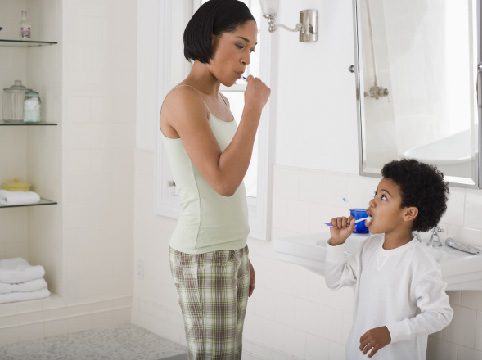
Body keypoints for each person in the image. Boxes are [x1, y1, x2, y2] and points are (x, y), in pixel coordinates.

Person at [159, 0, 270, 358]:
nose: (247, 60)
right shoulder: (183, 99)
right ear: (208, 39)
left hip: (228, 251)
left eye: (252, 49)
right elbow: (223, 182)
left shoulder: (219, 100)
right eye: (240, 44)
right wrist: (253, 108)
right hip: (204, 253)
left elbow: (226, 186)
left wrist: (240, 253)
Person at [325, 159, 453, 360]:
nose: (372, 202)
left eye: (383, 197)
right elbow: (334, 281)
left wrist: (391, 332)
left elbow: (440, 314)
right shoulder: (368, 247)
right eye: (375, 194)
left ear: (408, 213)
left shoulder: (419, 261)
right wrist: (336, 243)